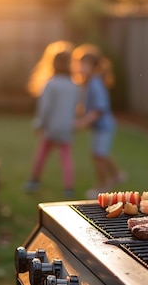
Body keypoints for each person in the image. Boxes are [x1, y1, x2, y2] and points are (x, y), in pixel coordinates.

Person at [23, 41, 81, 198]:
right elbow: (76, 108)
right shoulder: (74, 85)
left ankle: (34, 181)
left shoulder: (51, 84)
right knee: (66, 158)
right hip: (66, 128)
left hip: (51, 128)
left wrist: (39, 124)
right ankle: (69, 188)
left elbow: (45, 108)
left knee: (41, 154)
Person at [73, 44, 126, 199]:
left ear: (93, 66)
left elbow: (99, 109)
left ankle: (102, 186)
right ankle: (117, 175)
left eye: (85, 64)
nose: (81, 67)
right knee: (101, 154)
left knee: (98, 155)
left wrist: (83, 122)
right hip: (101, 127)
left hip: (104, 126)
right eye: (79, 64)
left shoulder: (95, 83)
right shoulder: (89, 82)